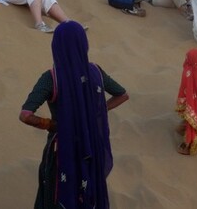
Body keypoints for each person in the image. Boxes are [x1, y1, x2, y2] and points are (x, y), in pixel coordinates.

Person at [20, 20, 128, 209]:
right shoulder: (95, 71)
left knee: (56, 193)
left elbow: (26, 115)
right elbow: (122, 94)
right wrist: (95, 113)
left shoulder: (51, 78)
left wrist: (54, 125)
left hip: (62, 148)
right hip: (91, 144)